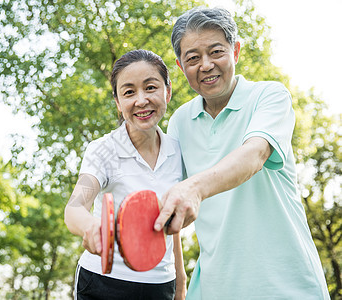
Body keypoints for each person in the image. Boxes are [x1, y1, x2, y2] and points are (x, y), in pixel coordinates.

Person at [153, 7, 330, 299]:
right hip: (212, 288)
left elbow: (254, 155)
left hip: (287, 286)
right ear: (181, 65)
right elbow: (169, 201)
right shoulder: (180, 122)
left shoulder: (270, 96)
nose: (206, 65)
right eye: (193, 58)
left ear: (235, 51)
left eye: (216, 52)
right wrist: (178, 280)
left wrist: (194, 188)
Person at [64, 49, 187, 300]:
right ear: (119, 103)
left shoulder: (179, 151)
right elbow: (75, 207)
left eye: (150, 87)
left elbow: (170, 222)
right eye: (129, 92)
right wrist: (90, 226)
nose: (141, 100)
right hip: (103, 283)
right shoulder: (103, 150)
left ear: (168, 91)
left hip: (161, 284)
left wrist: (180, 279)